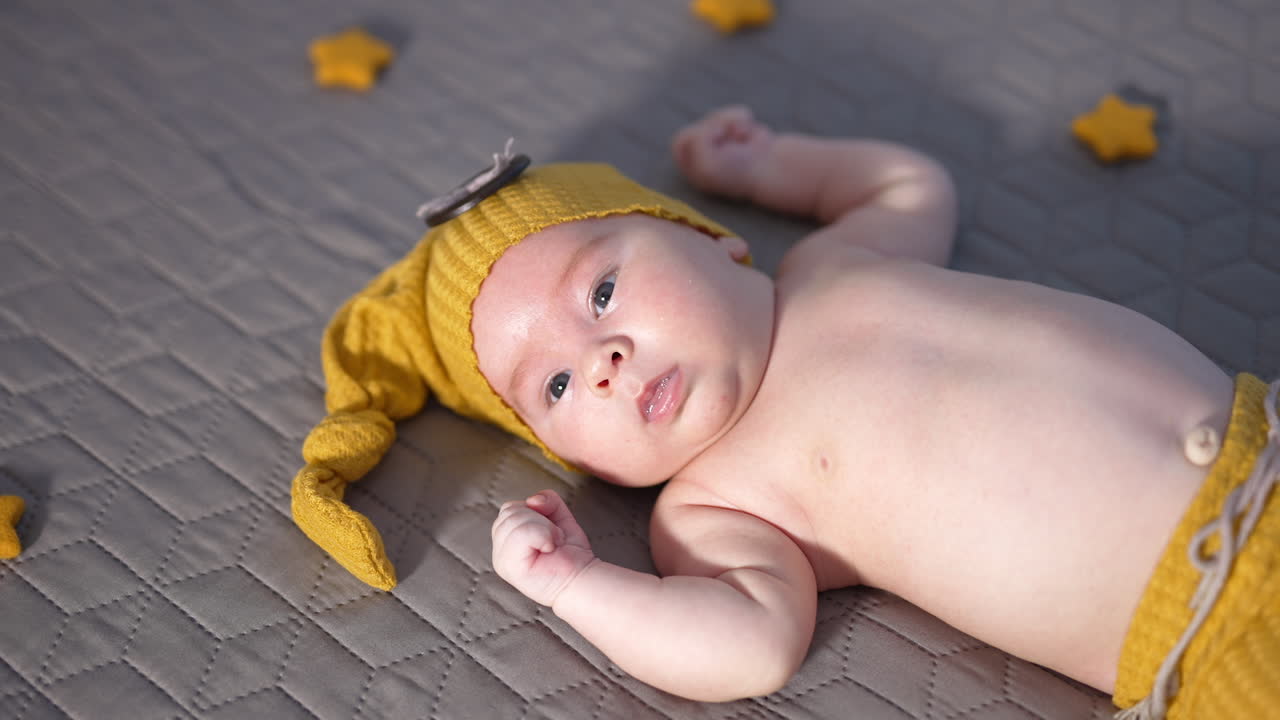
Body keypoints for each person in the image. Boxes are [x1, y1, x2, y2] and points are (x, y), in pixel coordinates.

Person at [290, 106, 1278, 718]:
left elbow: (907, 182)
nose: (599, 365)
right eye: (550, 389)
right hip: (1209, 629)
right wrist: (574, 588)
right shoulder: (716, 505)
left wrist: (771, 164)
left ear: (717, 242)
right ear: (567, 456)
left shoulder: (833, 265)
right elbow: (747, 649)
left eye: (600, 297)